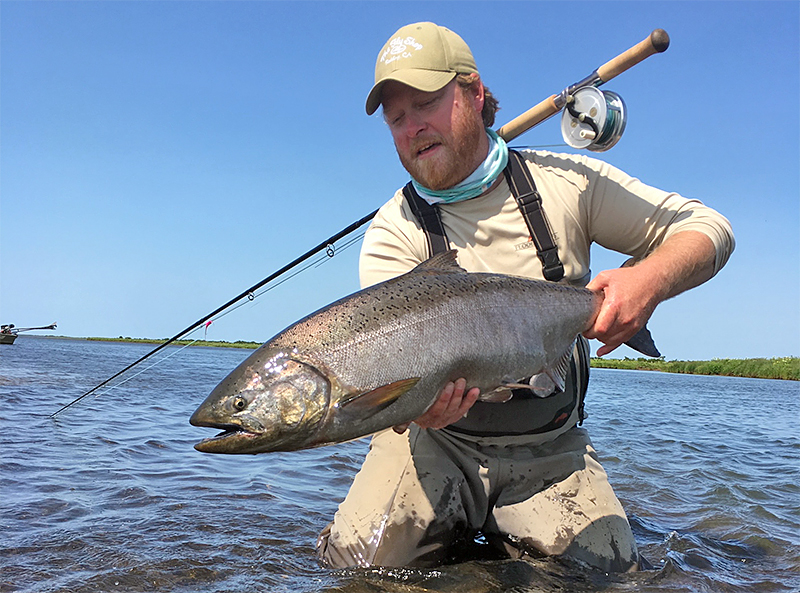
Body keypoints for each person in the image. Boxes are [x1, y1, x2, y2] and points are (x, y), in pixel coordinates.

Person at [316, 22, 734, 572]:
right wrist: (417, 407)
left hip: (550, 448)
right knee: (361, 571)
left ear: (475, 92)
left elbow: (708, 227)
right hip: (433, 444)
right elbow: (388, 384)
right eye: (398, 118)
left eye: (427, 103)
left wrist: (647, 281)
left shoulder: (566, 183)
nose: (413, 126)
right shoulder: (393, 232)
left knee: (605, 577)